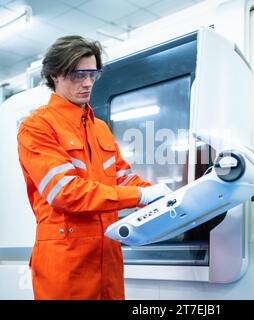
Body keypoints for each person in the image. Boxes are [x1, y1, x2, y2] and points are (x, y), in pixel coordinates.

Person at [17, 35, 172, 300]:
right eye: (78, 75)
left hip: (107, 258)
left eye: (92, 74)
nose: (88, 83)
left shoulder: (99, 127)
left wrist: (166, 198)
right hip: (66, 264)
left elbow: (122, 179)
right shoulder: (37, 126)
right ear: (56, 75)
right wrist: (140, 196)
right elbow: (65, 193)